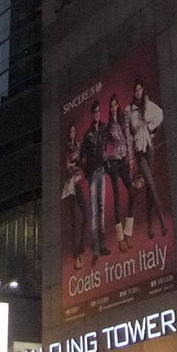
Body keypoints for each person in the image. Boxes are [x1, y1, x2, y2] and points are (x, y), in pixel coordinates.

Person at [126, 77, 167, 238]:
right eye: (135, 90)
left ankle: (149, 227)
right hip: (138, 150)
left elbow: (160, 115)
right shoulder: (129, 110)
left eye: (139, 90)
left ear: (142, 89)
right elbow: (129, 133)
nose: (137, 93)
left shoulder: (149, 106)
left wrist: (151, 130)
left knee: (150, 188)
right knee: (150, 183)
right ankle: (162, 222)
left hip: (149, 146)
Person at [80, 100, 111, 264]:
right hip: (93, 174)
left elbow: (107, 145)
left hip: (102, 171)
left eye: (99, 111)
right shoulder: (88, 134)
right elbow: (81, 156)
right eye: (95, 112)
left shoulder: (104, 128)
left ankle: (103, 245)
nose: (97, 114)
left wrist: (107, 161)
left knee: (101, 209)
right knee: (93, 212)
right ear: (93, 114)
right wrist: (87, 173)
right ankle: (95, 250)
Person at [106, 93, 136, 251]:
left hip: (124, 161)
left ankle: (128, 232)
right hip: (113, 162)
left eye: (115, 105)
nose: (113, 108)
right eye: (111, 106)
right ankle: (120, 239)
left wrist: (131, 162)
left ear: (118, 105)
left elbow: (129, 139)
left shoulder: (124, 118)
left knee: (133, 192)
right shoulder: (109, 125)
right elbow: (106, 146)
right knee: (117, 197)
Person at [62, 122, 88, 269]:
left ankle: (80, 249)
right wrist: (73, 164)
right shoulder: (67, 148)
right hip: (70, 185)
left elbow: (80, 164)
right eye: (70, 132)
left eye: (73, 131)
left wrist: (77, 164)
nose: (72, 134)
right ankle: (76, 255)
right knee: (74, 219)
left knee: (85, 213)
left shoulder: (77, 144)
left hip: (78, 183)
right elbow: (67, 167)